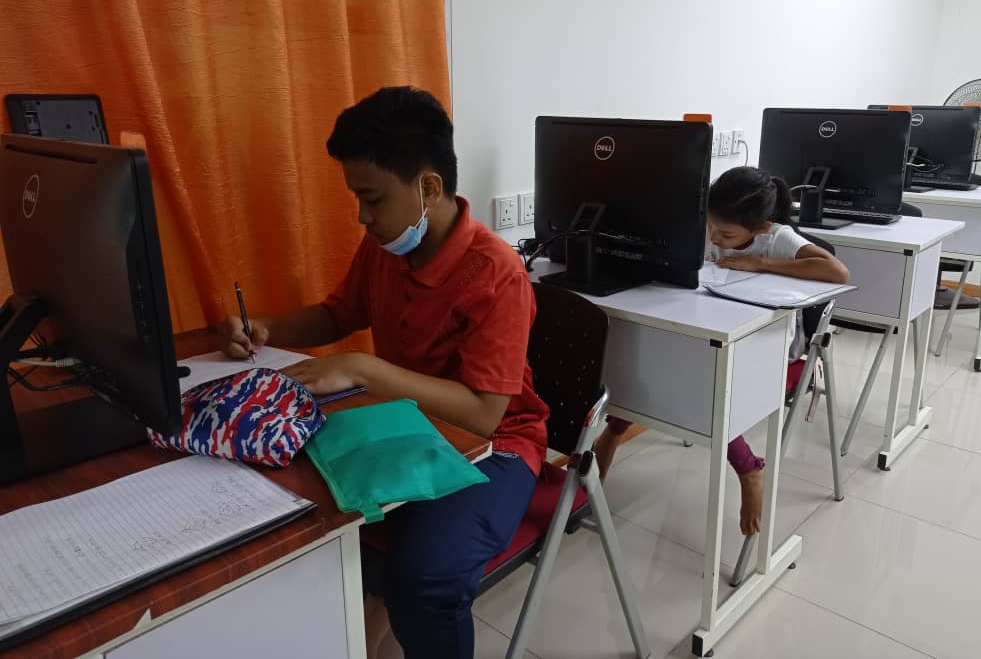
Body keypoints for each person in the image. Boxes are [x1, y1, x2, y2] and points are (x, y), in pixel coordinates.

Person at [218, 86, 548, 659]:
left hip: (497, 446)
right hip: (410, 427)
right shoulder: (387, 247)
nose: (362, 216)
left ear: (429, 188)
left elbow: (482, 412)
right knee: (301, 519)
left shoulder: (496, 274)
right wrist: (266, 327)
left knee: (426, 578)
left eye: (371, 198)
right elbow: (338, 314)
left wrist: (364, 369)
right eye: (356, 198)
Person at [593, 165, 849, 536]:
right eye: (711, 227)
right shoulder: (714, 230)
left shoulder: (777, 237)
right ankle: (616, 426)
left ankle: (748, 468)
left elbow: (838, 272)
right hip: (717, 328)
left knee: (703, 387)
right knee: (651, 362)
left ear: (761, 227)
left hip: (770, 345)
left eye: (725, 234)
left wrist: (759, 263)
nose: (714, 237)